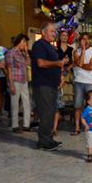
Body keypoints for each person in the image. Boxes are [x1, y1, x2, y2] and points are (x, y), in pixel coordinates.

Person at [32, 21, 67, 150]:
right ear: (43, 32)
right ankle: (43, 142)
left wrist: (60, 69)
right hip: (43, 84)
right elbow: (41, 63)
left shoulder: (50, 46)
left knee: (51, 112)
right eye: (52, 31)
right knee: (46, 112)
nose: (54, 33)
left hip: (51, 84)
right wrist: (58, 63)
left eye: (54, 31)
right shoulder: (39, 45)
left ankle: (48, 138)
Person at [71, 32, 92, 135]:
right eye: (83, 39)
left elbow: (90, 66)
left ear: (90, 40)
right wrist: (82, 50)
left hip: (90, 82)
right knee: (77, 105)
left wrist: (79, 64)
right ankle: (77, 127)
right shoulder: (76, 51)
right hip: (79, 81)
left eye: (87, 39)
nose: (85, 41)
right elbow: (79, 63)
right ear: (80, 41)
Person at [5, 33, 32, 133]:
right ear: (19, 41)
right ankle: (15, 125)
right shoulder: (10, 53)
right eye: (24, 42)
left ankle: (26, 124)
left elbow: (28, 64)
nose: (25, 44)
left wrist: (26, 53)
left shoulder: (22, 53)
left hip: (24, 80)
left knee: (27, 102)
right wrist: (11, 84)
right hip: (15, 80)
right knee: (15, 103)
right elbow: (9, 69)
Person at [52, 29, 75, 136]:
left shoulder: (71, 49)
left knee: (67, 98)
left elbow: (73, 62)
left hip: (68, 73)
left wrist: (67, 68)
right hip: (57, 73)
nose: (64, 37)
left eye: (66, 35)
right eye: (63, 35)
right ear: (60, 37)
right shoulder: (55, 48)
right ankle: (54, 125)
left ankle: (63, 118)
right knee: (56, 99)